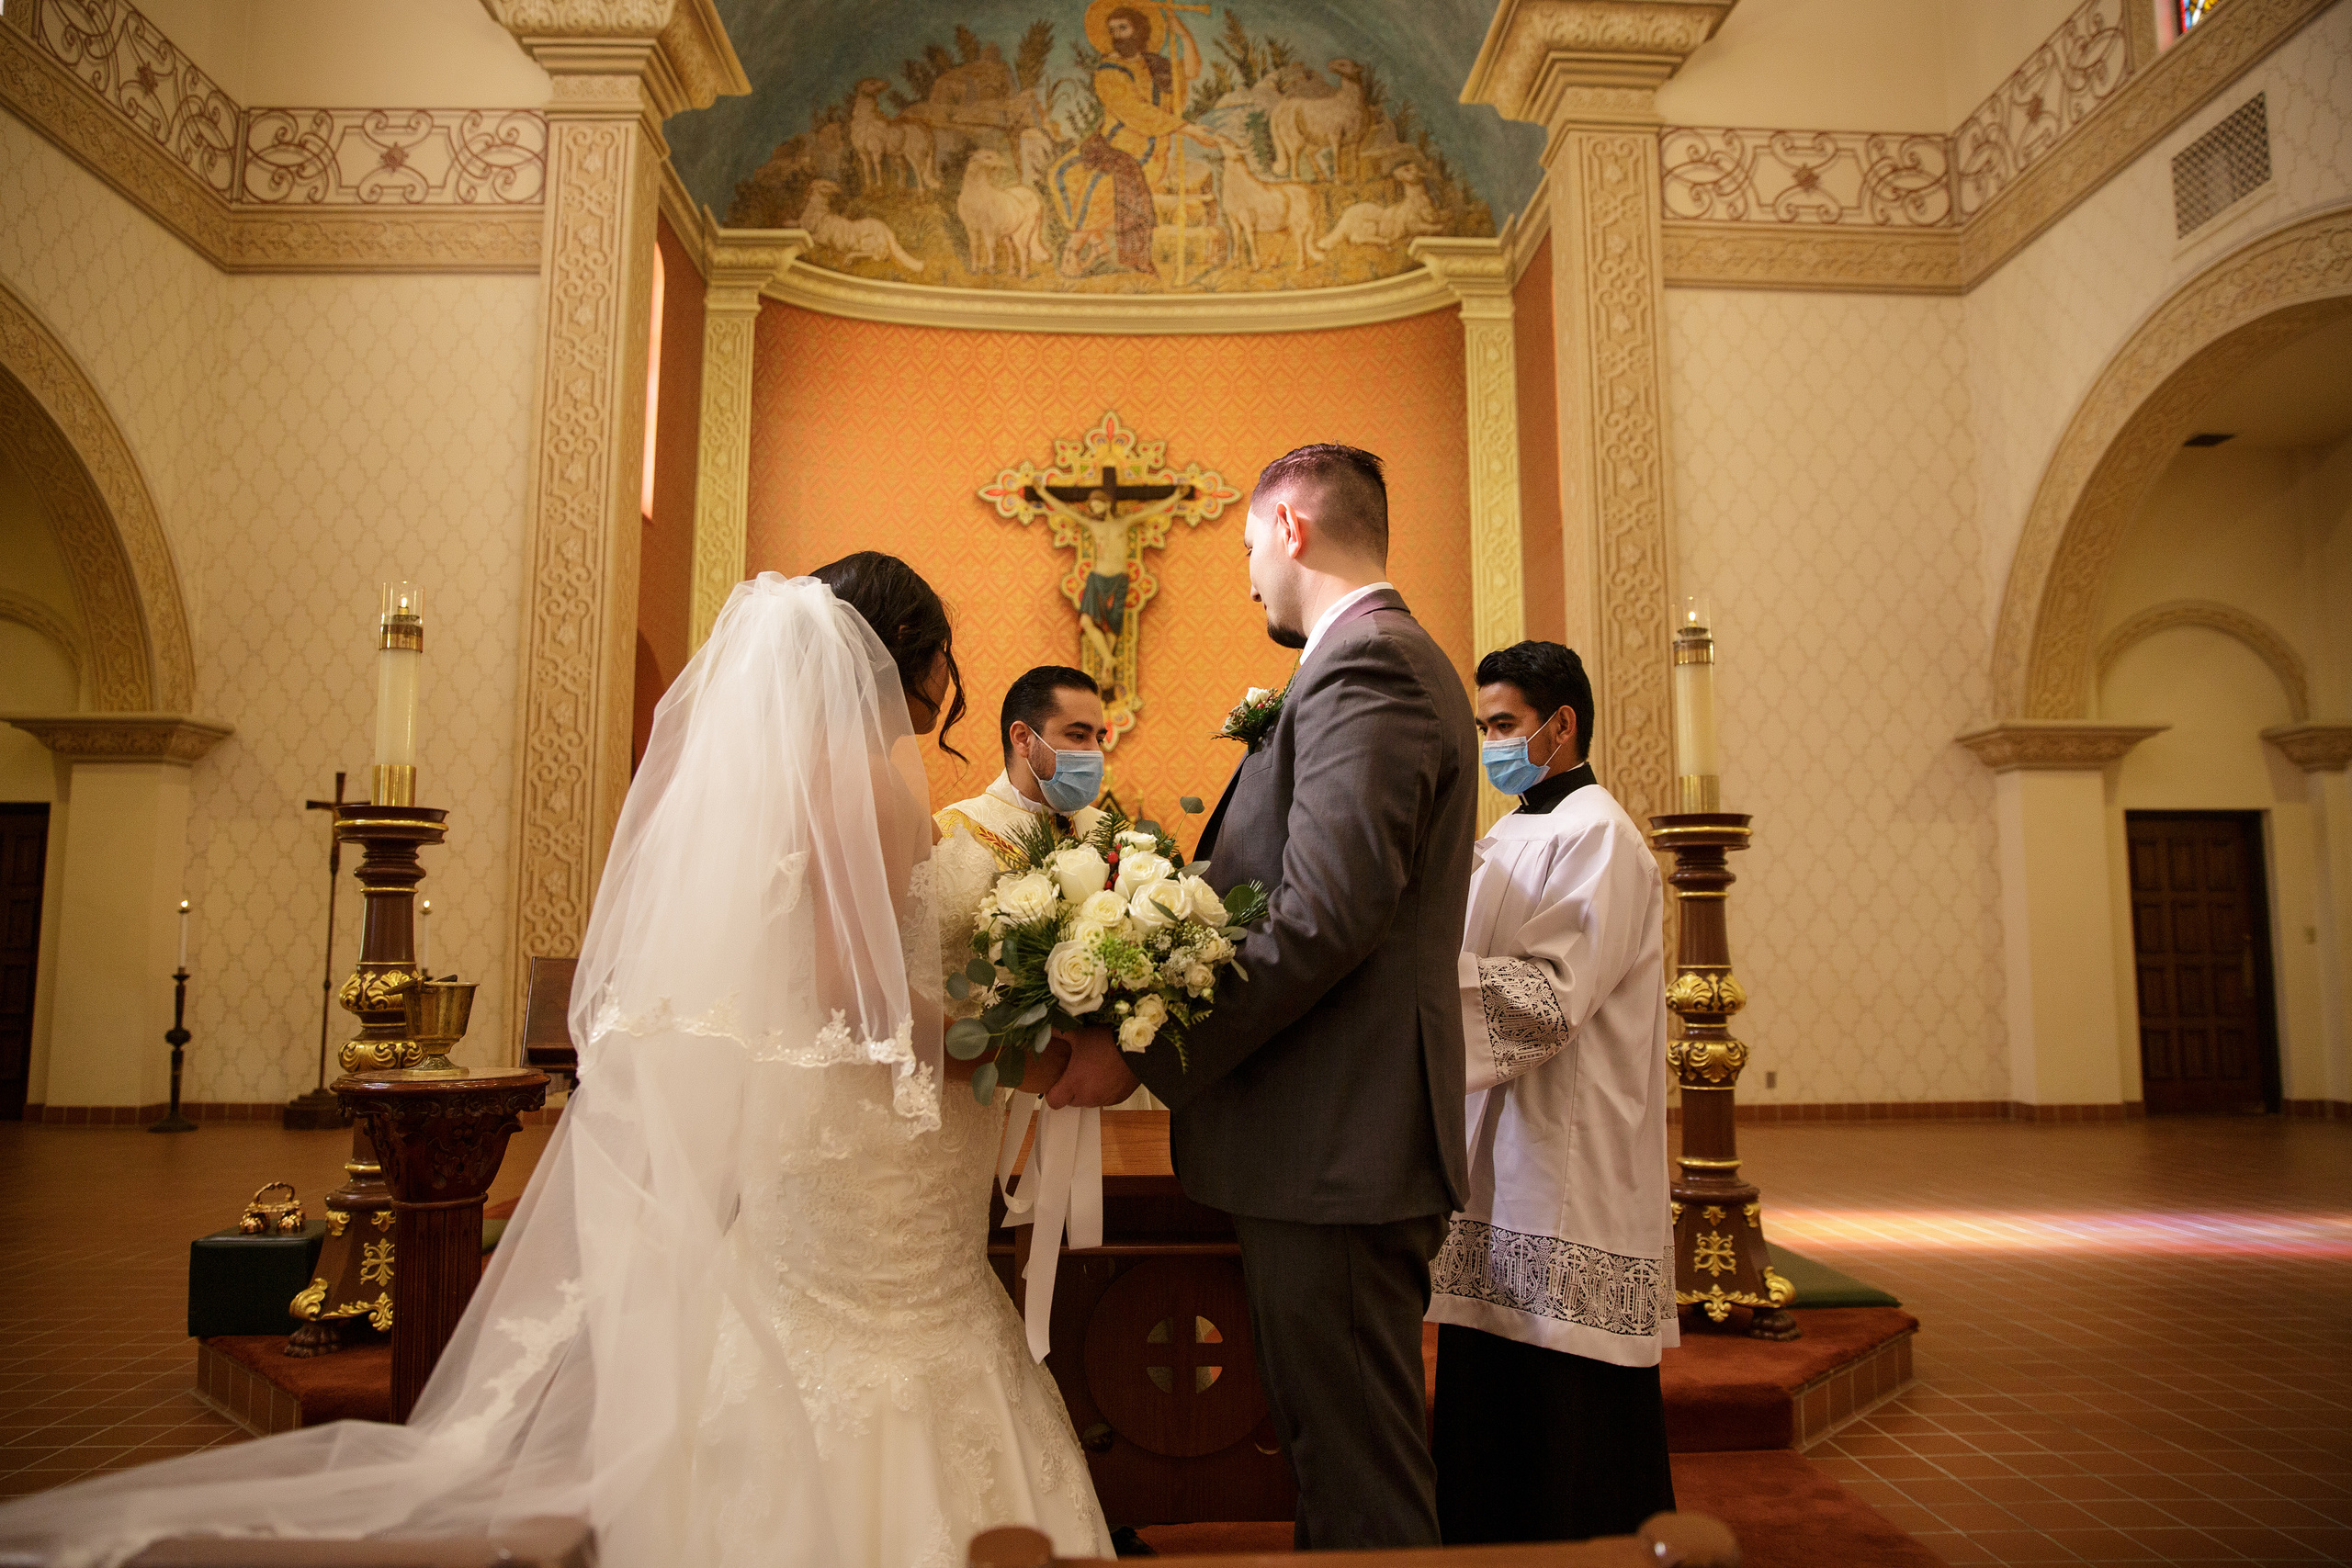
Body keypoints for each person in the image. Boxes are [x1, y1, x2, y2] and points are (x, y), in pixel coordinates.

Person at [0, 559, 1111, 1568]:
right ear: (905, 660)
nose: (940, 691)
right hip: (884, 1151)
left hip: (837, 1140)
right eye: (937, 665)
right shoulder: (868, 784)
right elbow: (851, 996)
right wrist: (1030, 1056)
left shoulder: (794, 776)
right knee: (884, 1345)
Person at [1045, 444, 1476, 1551]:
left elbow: (1326, 912)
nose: (1245, 578)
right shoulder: (1367, 661)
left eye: (1246, 548)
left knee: (1358, 1471)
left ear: (1290, 527)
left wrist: (1145, 1054)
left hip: (1337, 1143)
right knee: (1328, 1454)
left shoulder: (1366, 665)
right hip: (1327, 1142)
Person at [1428, 640, 1678, 1543]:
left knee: (1562, 1389)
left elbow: (1546, 999)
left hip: (1565, 1149)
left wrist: (1410, 1008)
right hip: (1498, 1143)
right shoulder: (1511, 833)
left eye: (1504, 724)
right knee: (1493, 1379)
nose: (1491, 742)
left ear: (1560, 726)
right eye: (1485, 724)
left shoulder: (1598, 835)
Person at [936, 664, 1112, 863]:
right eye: (1078, 735)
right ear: (1022, 739)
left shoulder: (1112, 835)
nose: (1096, 753)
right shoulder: (955, 834)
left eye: (1099, 739)